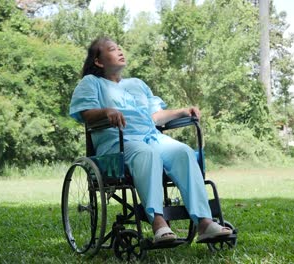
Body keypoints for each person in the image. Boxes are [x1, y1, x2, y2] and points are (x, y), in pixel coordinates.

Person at [69, 36, 231, 243]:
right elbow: (85, 114)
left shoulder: (137, 84)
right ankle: (158, 222)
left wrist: (182, 111)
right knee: (147, 154)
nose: (119, 51)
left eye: (119, 47)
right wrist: (106, 111)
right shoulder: (91, 83)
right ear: (99, 61)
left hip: (150, 137)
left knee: (183, 151)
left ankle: (205, 222)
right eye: (112, 49)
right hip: (118, 141)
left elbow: (154, 117)